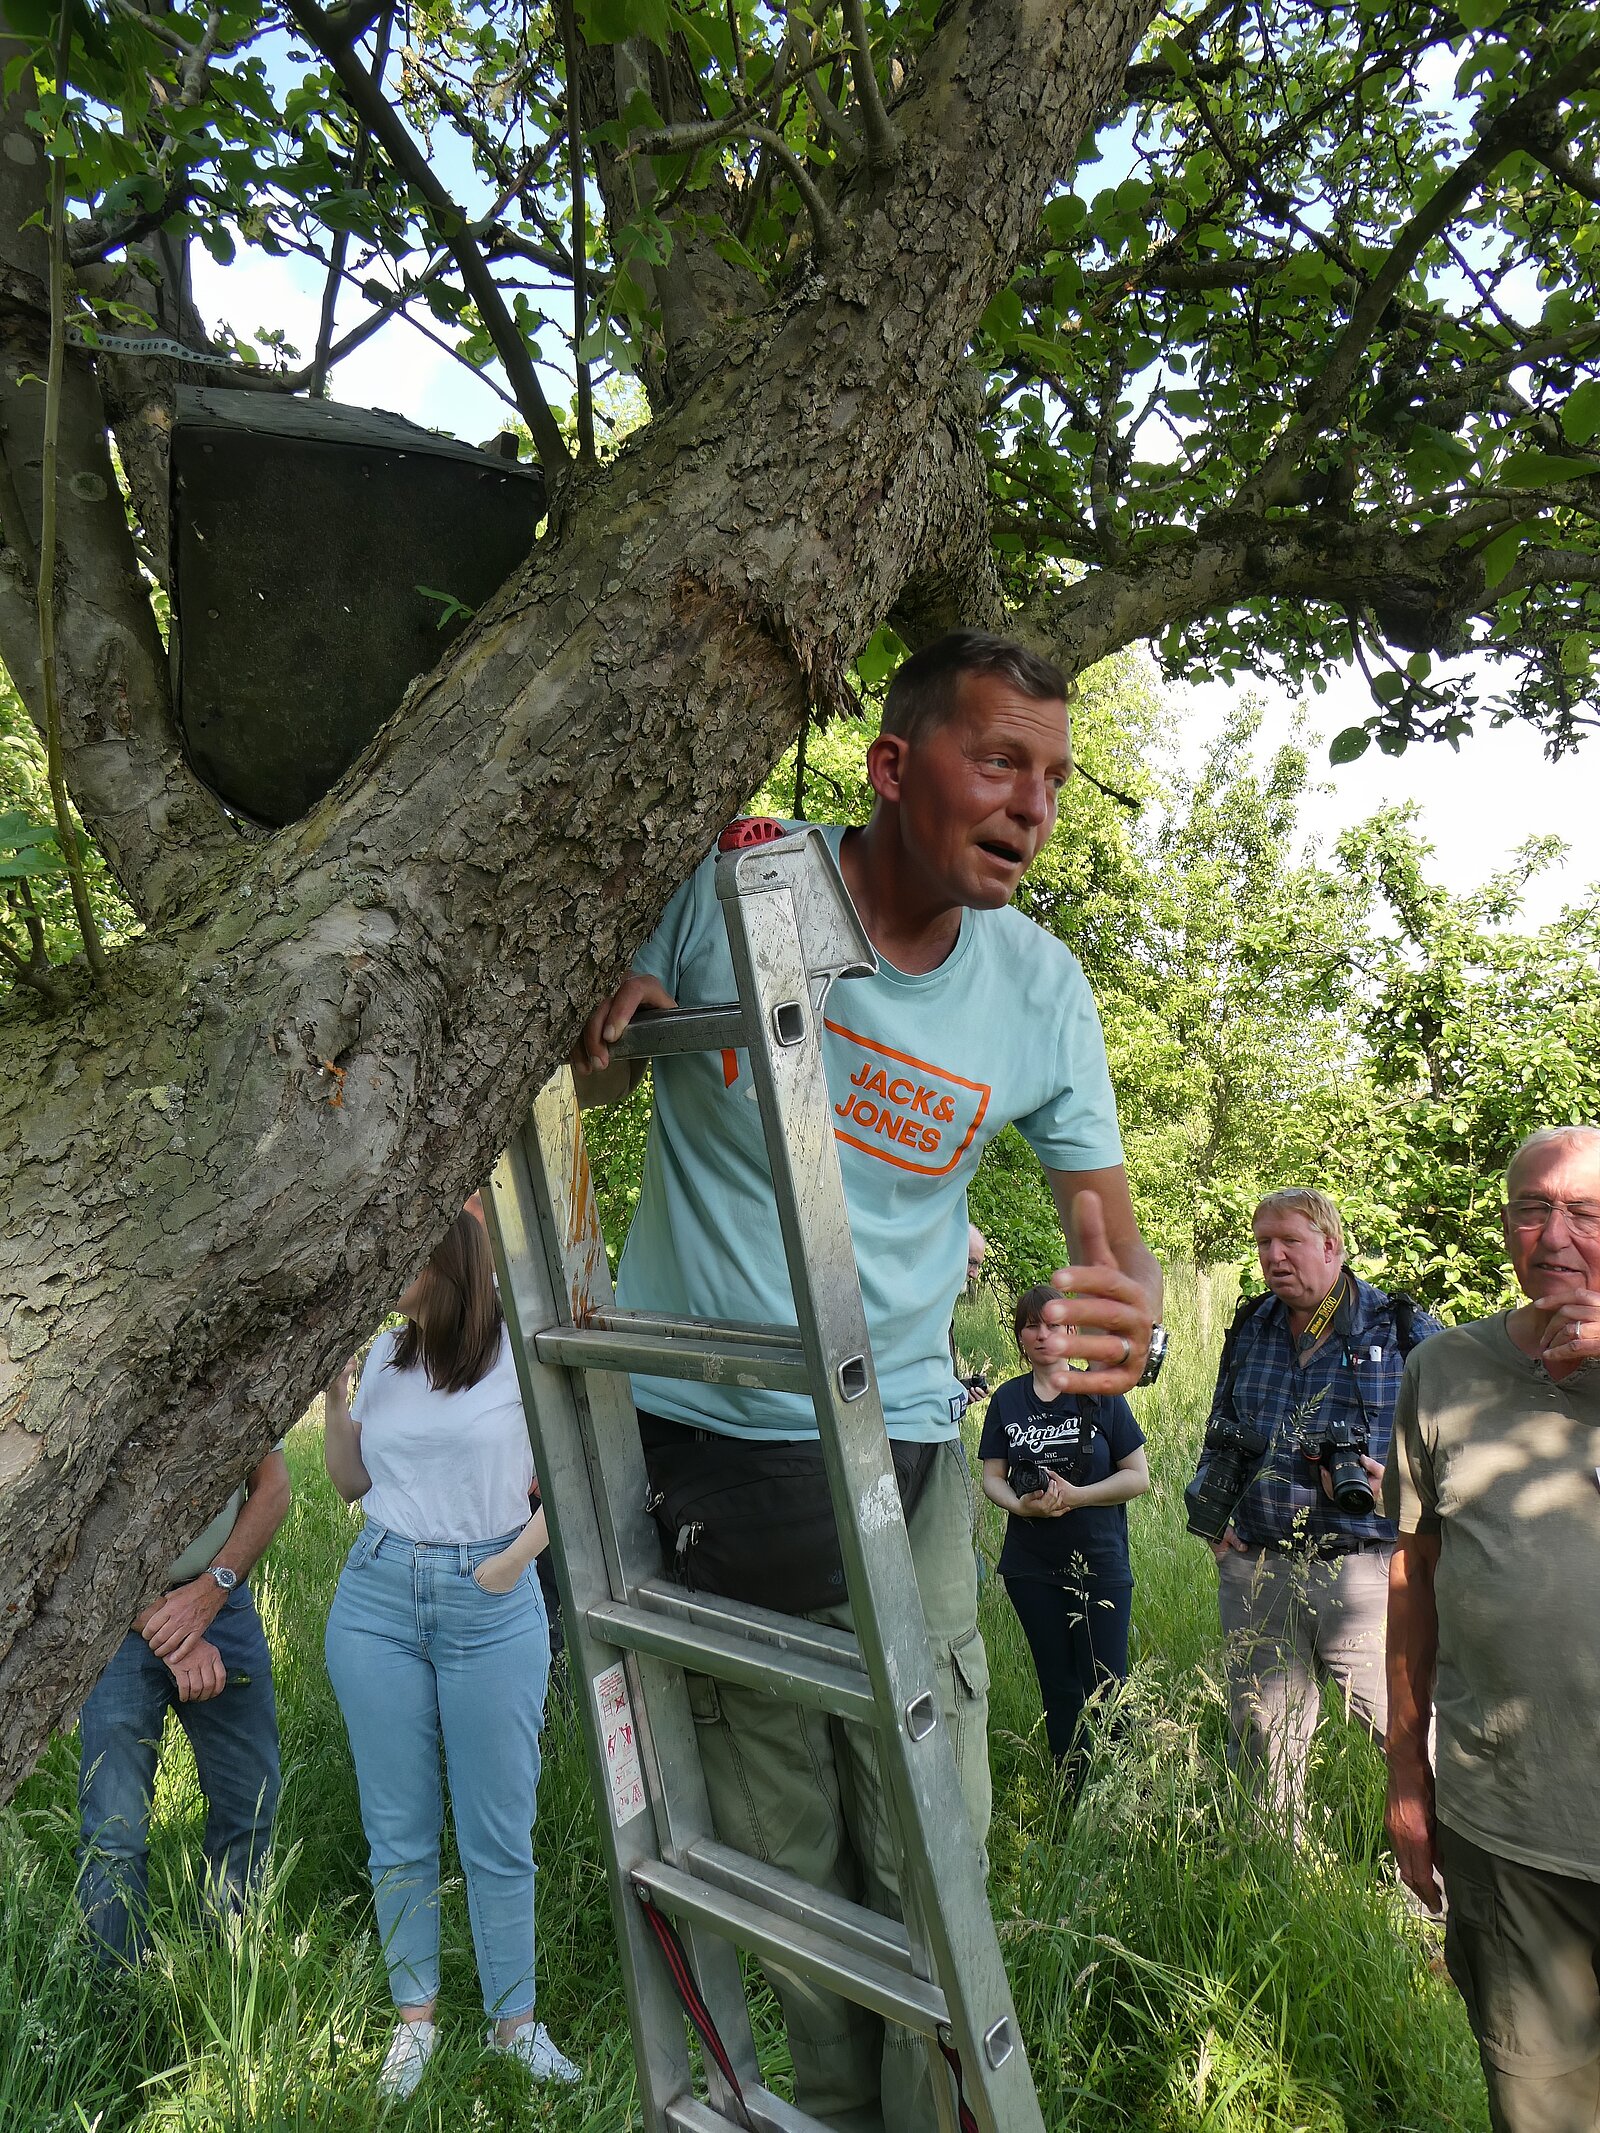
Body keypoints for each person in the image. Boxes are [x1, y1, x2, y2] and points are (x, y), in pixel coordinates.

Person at [576, 628, 1165, 2133]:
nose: (1033, 806)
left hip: (899, 1458)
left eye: (1055, 779)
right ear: (892, 765)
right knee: (790, 1881)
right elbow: (596, 1054)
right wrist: (615, 1012)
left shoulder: (1036, 987)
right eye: (1001, 761)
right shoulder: (738, 888)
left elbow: (1111, 1241)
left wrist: (1132, 1314)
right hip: (704, 1463)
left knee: (931, 1874)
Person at [322, 1211, 577, 2101]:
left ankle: (516, 2025)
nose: (385, 1264)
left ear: (447, 1261)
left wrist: (511, 1564)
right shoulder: (389, 1355)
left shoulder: (518, 1353)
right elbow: (351, 1482)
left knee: (498, 1827)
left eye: (404, 1252)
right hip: (378, 1597)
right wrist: (335, 1401)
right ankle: (415, 2024)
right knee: (397, 1826)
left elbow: (577, 1469)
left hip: (490, 1600)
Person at [1385, 1125, 1600, 2133]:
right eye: (1531, 1208)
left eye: (1585, 1212)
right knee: (1544, 2108)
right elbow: (1413, 1577)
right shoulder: (1442, 1371)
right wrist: (1405, 1776)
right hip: (1512, 1826)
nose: (1553, 1236)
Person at [1190, 1188, 1440, 1823]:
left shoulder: (1399, 1327)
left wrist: (1399, 1487)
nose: (1273, 1256)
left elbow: (1457, 1443)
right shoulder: (1252, 1325)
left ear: (1331, 1246)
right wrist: (1214, 1522)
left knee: (1407, 1729)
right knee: (1261, 1736)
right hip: (1259, 1566)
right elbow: (1221, 1427)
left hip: (1363, 1571)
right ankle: (1269, 1862)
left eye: (1289, 1242)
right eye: (1263, 1243)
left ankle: (1441, 1870)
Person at [77, 1446, 291, 1963]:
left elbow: (272, 1487)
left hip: (223, 1603)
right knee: (114, 1831)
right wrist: (170, 1626)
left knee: (249, 1806)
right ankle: (115, 1989)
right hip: (113, 1620)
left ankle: (230, 1972)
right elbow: (67, 1524)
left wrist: (211, 1592)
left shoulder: (235, 1392)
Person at [978, 1284, 1149, 1783]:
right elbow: (992, 1477)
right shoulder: (1008, 1400)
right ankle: (1070, 1791)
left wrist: (1078, 1496)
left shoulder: (1101, 1393)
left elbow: (1137, 1476)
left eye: (1054, 1325)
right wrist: (1021, 1506)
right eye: (1031, 1325)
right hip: (1031, 1566)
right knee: (1058, 1688)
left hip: (1099, 1562)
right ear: (1020, 1336)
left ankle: (1123, 1795)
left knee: (1109, 1687)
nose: (1042, 1334)